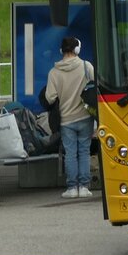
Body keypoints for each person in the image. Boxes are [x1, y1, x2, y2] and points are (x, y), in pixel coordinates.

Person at [44, 36, 95, 200]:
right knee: (84, 151)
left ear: (61, 51)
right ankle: (84, 187)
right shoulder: (87, 66)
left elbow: (50, 97)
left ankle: (72, 188)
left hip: (66, 120)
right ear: (77, 49)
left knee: (70, 154)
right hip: (85, 116)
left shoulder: (54, 73)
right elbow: (96, 87)